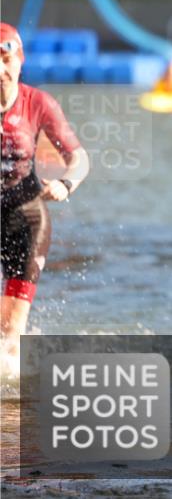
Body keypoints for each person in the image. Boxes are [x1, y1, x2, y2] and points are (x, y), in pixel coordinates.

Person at [1, 22, 90, 367]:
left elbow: (79, 158)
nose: (0, 70)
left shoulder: (38, 103)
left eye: (6, 60)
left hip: (25, 217)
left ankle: (8, 411)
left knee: (10, 327)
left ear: (20, 61)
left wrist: (65, 184)